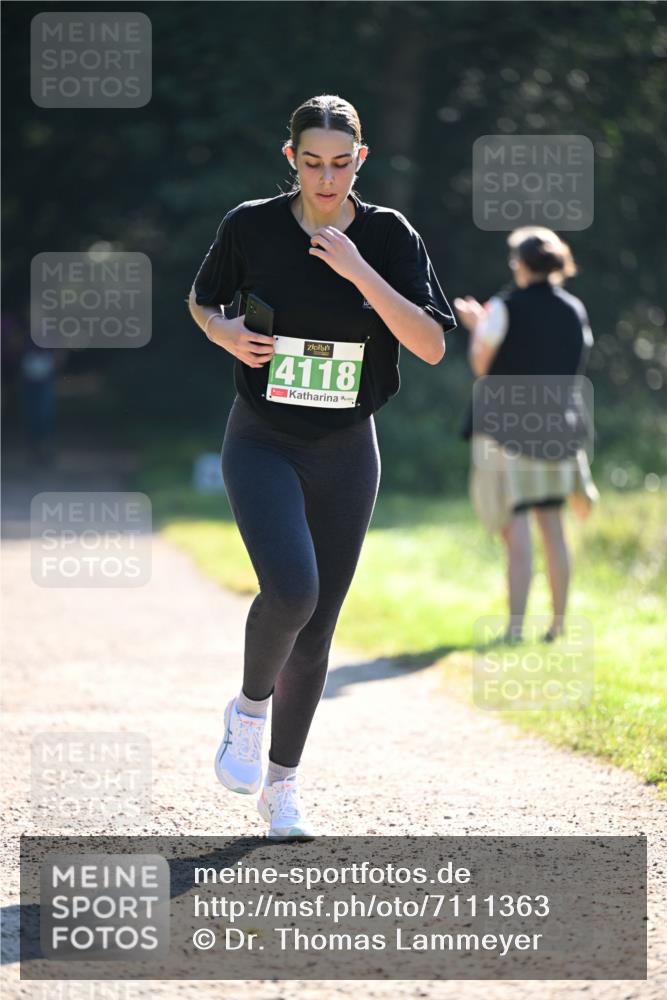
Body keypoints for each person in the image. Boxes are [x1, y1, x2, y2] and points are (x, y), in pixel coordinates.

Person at [188, 94, 456, 840]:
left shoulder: (386, 234)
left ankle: (283, 788)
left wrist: (361, 270)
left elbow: (431, 345)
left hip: (347, 449)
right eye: (311, 163)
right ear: (291, 160)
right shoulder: (250, 225)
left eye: (340, 164)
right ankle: (247, 710)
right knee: (291, 589)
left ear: (359, 160)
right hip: (263, 437)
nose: (326, 178)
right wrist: (224, 333)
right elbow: (201, 300)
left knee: (317, 632)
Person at [455, 227, 599, 644]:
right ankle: (557, 624)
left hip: (506, 431)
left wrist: (477, 327)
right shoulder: (574, 308)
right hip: (557, 428)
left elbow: (482, 364)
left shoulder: (503, 306)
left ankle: (516, 628)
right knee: (552, 525)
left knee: (516, 525)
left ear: (521, 263)